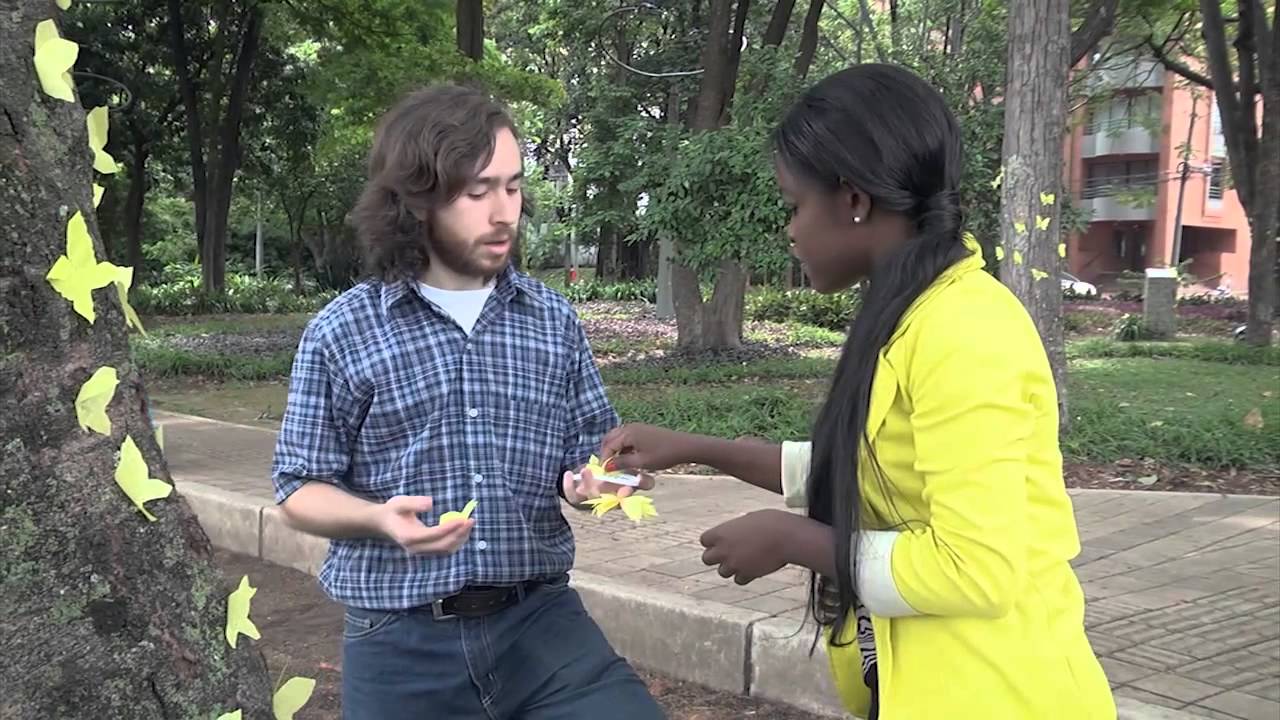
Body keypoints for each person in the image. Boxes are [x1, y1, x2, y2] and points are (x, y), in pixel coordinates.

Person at [597, 64, 1116, 719]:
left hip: (1002, 694)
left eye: (794, 204)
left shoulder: (966, 329)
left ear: (852, 199)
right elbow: (871, 473)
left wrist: (794, 541)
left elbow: (974, 569)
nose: (788, 229)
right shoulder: (914, 311)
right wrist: (699, 448)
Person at [270, 84, 664, 720]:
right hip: (399, 640)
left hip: (541, 625)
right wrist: (378, 520)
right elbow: (296, 490)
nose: (503, 211)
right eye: (477, 192)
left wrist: (595, 483)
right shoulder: (342, 331)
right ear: (415, 202)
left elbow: (587, 458)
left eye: (511, 187)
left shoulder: (552, 320)